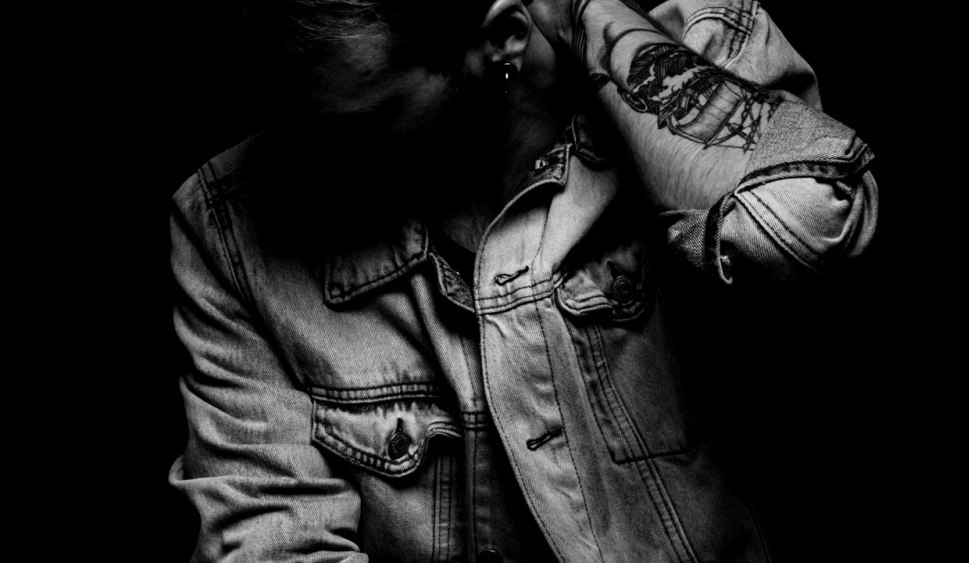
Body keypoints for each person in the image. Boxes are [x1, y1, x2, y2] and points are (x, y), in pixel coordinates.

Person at [168, 0, 878, 560]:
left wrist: (582, 12)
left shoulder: (697, 41)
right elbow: (267, 542)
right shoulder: (229, 226)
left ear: (503, 40)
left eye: (361, 124)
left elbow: (807, 229)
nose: (315, 163)